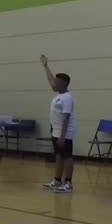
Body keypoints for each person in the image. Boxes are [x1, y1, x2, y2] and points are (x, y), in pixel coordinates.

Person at [40, 55, 77, 193]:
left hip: (64, 132)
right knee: (59, 155)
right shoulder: (58, 95)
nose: (53, 83)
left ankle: (68, 183)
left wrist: (62, 136)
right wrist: (45, 66)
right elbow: (50, 79)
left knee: (67, 156)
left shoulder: (67, 98)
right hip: (56, 130)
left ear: (64, 83)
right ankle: (57, 180)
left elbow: (67, 118)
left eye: (56, 82)